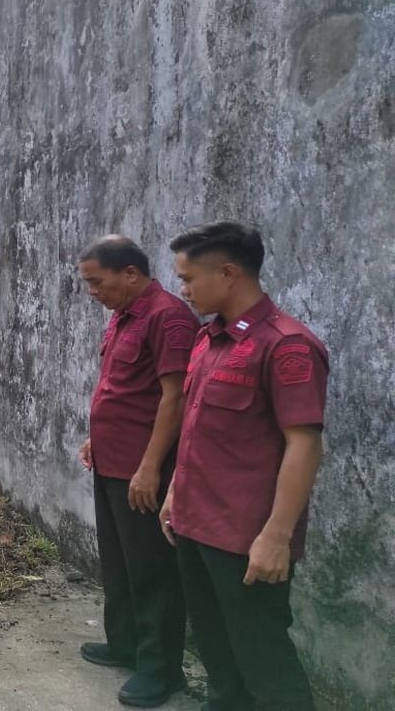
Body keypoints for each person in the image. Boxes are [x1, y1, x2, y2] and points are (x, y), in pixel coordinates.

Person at [161, 222, 327, 711]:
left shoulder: (288, 345)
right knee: (216, 648)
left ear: (229, 273)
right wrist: (174, 493)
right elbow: (196, 429)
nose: (183, 290)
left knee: (265, 660)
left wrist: (276, 536)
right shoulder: (208, 340)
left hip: (245, 537)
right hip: (195, 524)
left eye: (189, 279)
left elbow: (304, 445)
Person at [76, 235, 197, 708]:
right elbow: (120, 389)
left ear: (130, 273)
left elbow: (175, 397)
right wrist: (97, 438)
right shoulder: (123, 317)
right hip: (112, 462)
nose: (93, 292)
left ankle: (160, 669)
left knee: (151, 570)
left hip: (143, 469)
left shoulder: (168, 318)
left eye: (96, 282)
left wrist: (149, 469)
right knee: (119, 562)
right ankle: (124, 642)